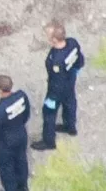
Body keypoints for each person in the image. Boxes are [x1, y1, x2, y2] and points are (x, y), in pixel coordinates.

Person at [32, 20, 85, 151]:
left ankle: (49, 141)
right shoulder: (72, 43)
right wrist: (76, 69)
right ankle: (70, 127)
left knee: (49, 115)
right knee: (70, 102)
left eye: (48, 35)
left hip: (57, 89)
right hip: (70, 80)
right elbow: (80, 58)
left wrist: (52, 98)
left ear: (54, 40)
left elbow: (55, 80)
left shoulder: (55, 60)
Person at [0, 75, 31, 191]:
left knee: (7, 170)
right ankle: (23, 187)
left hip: (6, 144)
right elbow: (26, 114)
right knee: (21, 161)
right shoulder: (21, 96)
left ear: (0, 90)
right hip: (21, 135)